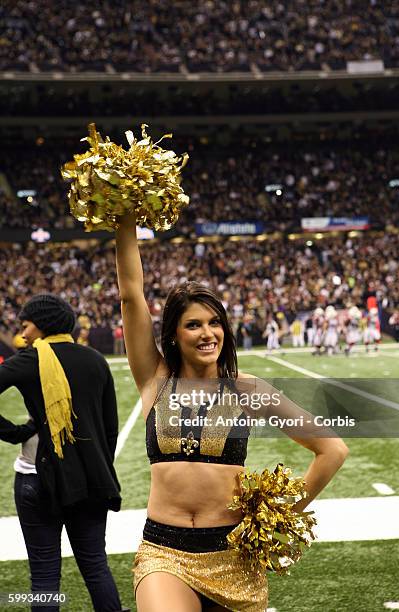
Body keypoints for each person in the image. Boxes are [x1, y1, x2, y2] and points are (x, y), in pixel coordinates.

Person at [116, 212, 349, 612]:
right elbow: (131, 295)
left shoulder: (248, 389)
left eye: (214, 323)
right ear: (174, 333)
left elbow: (332, 450)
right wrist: (123, 218)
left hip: (234, 555)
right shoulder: (155, 379)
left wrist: (281, 517)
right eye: (193, 325)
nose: (208, 334)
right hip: (164, 552)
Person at [0, 294, 127, 612]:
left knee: (44, 578)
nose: (23, 334)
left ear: (41, 324)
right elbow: (109, 428)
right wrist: (94, 466)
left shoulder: (31, 359)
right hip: (89, 480)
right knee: (97, 568)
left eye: (26, 326)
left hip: (36, 477)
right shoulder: (95, 359)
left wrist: (16, 433)